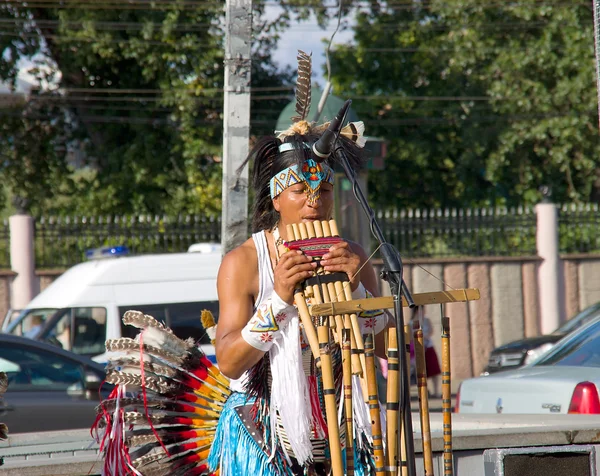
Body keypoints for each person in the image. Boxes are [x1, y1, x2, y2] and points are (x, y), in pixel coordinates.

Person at [208, 54, 390, 476]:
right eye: (301, 190)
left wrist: (360, 294)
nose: (314, 202)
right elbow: (230, 362)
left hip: (338, 423)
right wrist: (278, 302)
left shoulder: (354, 255)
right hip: (265, 431)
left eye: (324, 189)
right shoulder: (244, 262)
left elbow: (388, 350)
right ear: (275, 198)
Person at [410, 306, 441, 398]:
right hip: (417, 348)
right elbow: (410, 336)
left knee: (434, 370)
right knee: (421, 371)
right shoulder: (410, 323)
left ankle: (436, 391)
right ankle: (423, 392)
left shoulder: (427, 320)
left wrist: (424, 336)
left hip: (428, 346)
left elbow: (431, 331)